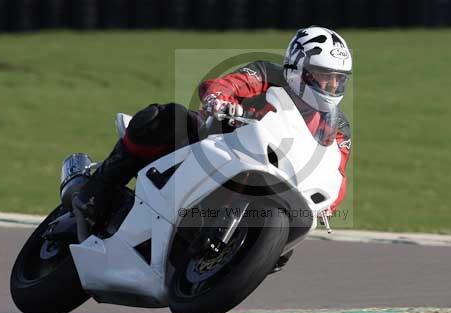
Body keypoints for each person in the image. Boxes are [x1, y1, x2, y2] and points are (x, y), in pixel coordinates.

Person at [74, 26, 352, 236]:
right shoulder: (267, 74)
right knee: (166, 118)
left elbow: (336, 172)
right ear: (298, 67)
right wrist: (220, 100)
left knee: (288, 240)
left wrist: (328, 205)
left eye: (337, 80)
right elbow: (228, 84)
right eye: (323, 75)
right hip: (218, 143)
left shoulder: (337, 127)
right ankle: (99, 187)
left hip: (273, 177)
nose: (330, 85)